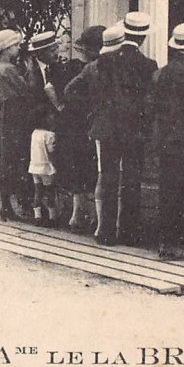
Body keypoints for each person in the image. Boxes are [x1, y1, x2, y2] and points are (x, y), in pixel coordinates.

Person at [65, 16, 155, 246]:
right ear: (143, 37)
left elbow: (71, 90)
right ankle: (129, 232)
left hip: (106, 129)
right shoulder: (148, 65)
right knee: (132, 179)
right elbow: (150, 101)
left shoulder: (101, 63)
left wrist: (93, 110)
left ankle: (106, 232)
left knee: (108, 179)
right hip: (134, 131)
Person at [153, 21, 184, 260]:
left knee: (168, 190)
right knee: (182, 191)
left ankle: (168, 240)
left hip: (166, 137)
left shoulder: (166, 69)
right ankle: (174, 242)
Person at [53, 25, 105, 232]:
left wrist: (62, 106)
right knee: (89, 166)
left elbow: (53, 88)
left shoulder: (69, 67)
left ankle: (78, 214)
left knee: (77, 166)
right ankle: (87, 214)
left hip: (71, 123)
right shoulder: (94, 69)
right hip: (84, 124)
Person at [0, 28, 35, 221]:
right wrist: (30, 71)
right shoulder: (8, 69)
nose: (17, 49)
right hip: (12, 117)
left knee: (3, 159)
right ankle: (16, 205)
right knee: (14, 158)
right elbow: (26, 90)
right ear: (5, 49)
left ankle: (6, 205)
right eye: (14, 46)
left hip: (0, 116)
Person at [28, 105, 59, 227]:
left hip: (34, 166)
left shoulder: (34, 133)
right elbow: (51, 152)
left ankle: (37, 216)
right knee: (49, 192)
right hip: (46, 168)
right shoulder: (50, 135)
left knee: (38, 191)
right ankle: (52, 217)